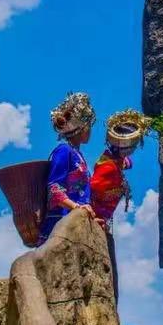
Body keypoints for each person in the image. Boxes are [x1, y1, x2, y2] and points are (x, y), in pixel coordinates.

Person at [90, 109, 152, 300]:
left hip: (103, 223)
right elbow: (93, 188)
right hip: (96, 222)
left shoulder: (113, 160)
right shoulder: (108, 168)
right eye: (132, 146)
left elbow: (127, 163)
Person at [37, 92, 97, 245]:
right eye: (89, 126)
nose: (90, 130)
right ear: (81, 128)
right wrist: (76, 207)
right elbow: (55, 188)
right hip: (59, 223)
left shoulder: (79, 155)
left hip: (76, 221)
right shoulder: (64, 151)